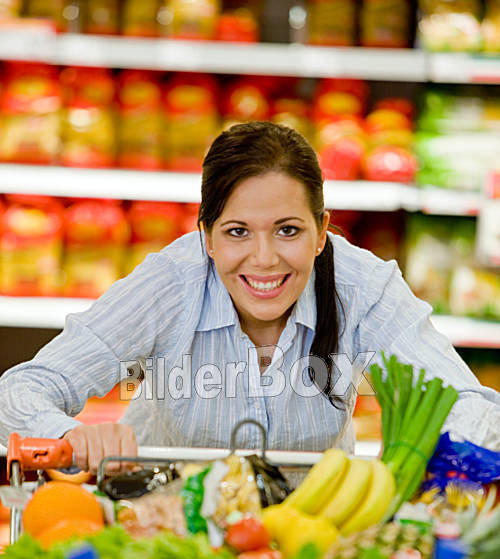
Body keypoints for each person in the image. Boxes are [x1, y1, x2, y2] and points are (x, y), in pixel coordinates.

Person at [0, 121, 499, 473]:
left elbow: (471, 403)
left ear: (321, 232)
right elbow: (20, 390)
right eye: (238, 231)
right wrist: (71, 434)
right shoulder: (171, 283)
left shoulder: (362, 286)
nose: (263, 259)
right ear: (207, 236)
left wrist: (450, 448)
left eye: (288, 230)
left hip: (312, 540)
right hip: (166, 532)